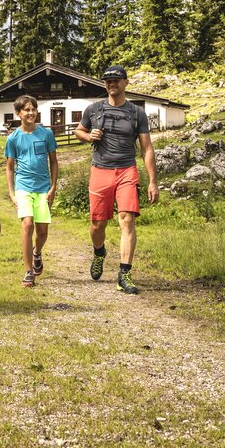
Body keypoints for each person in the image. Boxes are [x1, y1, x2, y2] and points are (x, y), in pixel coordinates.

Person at [73, 65, 159, 295]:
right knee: (97, 224)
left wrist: (152, 180)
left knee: (127, 219)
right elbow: (78, 131)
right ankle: (99, 251)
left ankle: (125, 273)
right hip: (100, 170)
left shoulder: (136, 113)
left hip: (126, 170)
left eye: (116, 80)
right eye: (108, 81)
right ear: (105, 85)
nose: (112, 84)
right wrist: (88, 135)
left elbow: (147, 148)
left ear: (125, 83)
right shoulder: (94, 110)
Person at [4, 95, 58, 287]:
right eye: (26, 110)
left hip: (43, 188)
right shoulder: (13, 138)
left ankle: (37, 253)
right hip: (23, 187)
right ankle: (28, 271)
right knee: (27, 225)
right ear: (18, 113)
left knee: (42, 231)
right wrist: (12, 193)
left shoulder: (46, 134)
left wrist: (53, 187)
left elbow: (54, 161)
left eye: (33, 109)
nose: (31, 112)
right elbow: (10, 167)